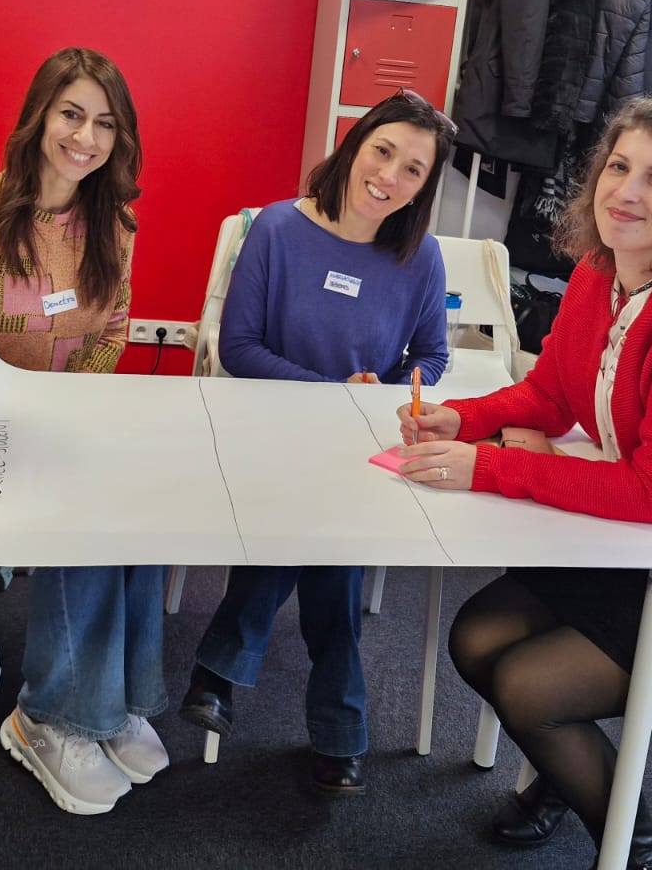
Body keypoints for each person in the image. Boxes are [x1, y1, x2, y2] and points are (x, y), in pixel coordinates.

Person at [397, 96, 652, 870]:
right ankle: (568, 769)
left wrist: (490, 466)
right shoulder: (599, 270)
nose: (627, 191)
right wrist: (464, 418)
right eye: (619, 167)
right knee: (475, 639)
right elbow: (552, 394)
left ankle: (637, 848)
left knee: (529, 687)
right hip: (641, 552)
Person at [177, 89, 454, 795]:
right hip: (267, 434)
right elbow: (238, 347)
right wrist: (330, 390)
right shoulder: (276, 228)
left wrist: (389, 387)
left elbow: (431, 357)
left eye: (413, 169)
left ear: (425, 186)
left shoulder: (420, 258)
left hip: (355, 447)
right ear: (355, 145)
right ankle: (339, 731)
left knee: (319, 538)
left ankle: (220, 672)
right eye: (383, 152)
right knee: (328, 549)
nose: (390, 176)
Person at [0, 47, 157, 816]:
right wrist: (22, 418)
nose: (85, 137)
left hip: (62, 420)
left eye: (104, 124)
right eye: (71, 115)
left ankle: (119, 702)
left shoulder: (112, 223)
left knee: (148, 496)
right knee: (82, 507)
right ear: (39, 118)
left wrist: (68, 409)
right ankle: (49, 717)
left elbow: (110, 332)